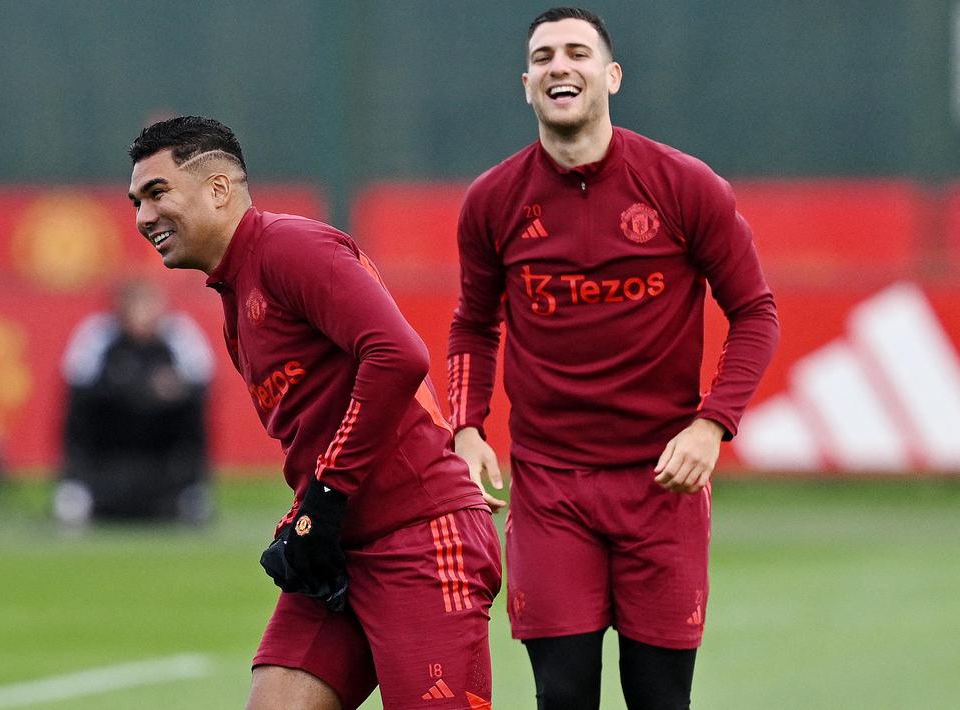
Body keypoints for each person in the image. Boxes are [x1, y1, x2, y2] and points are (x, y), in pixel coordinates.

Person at [447, 8, 779, 709]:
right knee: (562, 696)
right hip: (549, 490)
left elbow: (754, 313)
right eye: (542, 57)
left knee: (659, 699)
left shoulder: (684, 186)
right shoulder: (491, 201)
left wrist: (710, 426)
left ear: (611, 75)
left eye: (576, 52)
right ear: (526, 83)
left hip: (663, 489)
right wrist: (466, 427)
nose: (558, 66)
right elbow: (472, 325)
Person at [128, 116, 502, 710]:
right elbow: (329, 417)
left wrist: (328, 495)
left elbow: (398, 355)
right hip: (340, 548)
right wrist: (310, 513)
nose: (144, 217)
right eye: (137, 201)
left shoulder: (288, 246)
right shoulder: (235, 291)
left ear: (219, 188)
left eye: (157, 193)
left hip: (420, 541)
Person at [56, 279, 214, 524]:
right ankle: (76, 489)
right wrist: (139, 388)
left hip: (160, 444)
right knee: (75, 414)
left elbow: (202, 383)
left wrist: (173, 389)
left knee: (195, 414)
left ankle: (191, 491)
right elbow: (78, 386)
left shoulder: (178, 334)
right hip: (109, 445)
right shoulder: (98, 334)